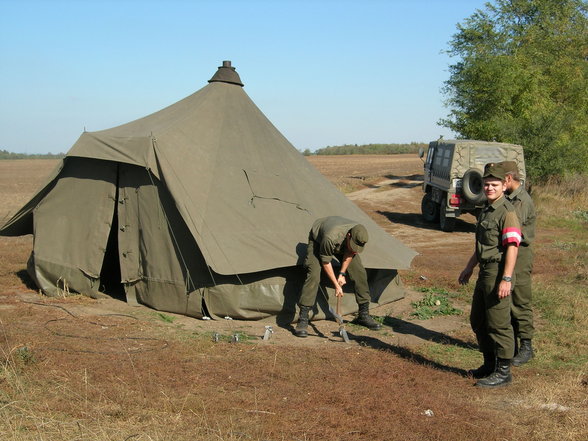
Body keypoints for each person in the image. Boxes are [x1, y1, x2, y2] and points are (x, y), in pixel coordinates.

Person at [458, 163, 522, 387]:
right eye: (486, 185)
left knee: (498, 323)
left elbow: (512, 247)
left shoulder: (507, 212)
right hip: (484, 272)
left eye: (494, 185)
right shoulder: (486, 210)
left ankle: (503, 372)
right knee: (478, 320)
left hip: (497, 272)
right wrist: (469, 267)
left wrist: (506, 278)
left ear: (504, 185)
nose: (489, 188)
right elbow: (481, 245)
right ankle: (489, 364)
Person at [295, 216, 382, 338]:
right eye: (352, 244)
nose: (354, 248)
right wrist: (336, 285)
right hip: (318, 241)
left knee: (359, 272)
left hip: (340, 240)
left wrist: (342, 273)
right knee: (314, 274)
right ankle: (303, 318)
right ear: (348, 236)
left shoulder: (358, 233)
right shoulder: (330, 237)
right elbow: (325, 262)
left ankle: (363, 314)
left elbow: (350, 252)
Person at [499, 161, 536, 366]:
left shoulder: (521, 200)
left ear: (509, 178)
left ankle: (526, 346)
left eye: (501, 178)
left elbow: (514, 230)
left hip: (520, 255)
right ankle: (512, 344)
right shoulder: (510, 198)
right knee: (510, 300)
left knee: (520, 300)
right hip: (511, 253)